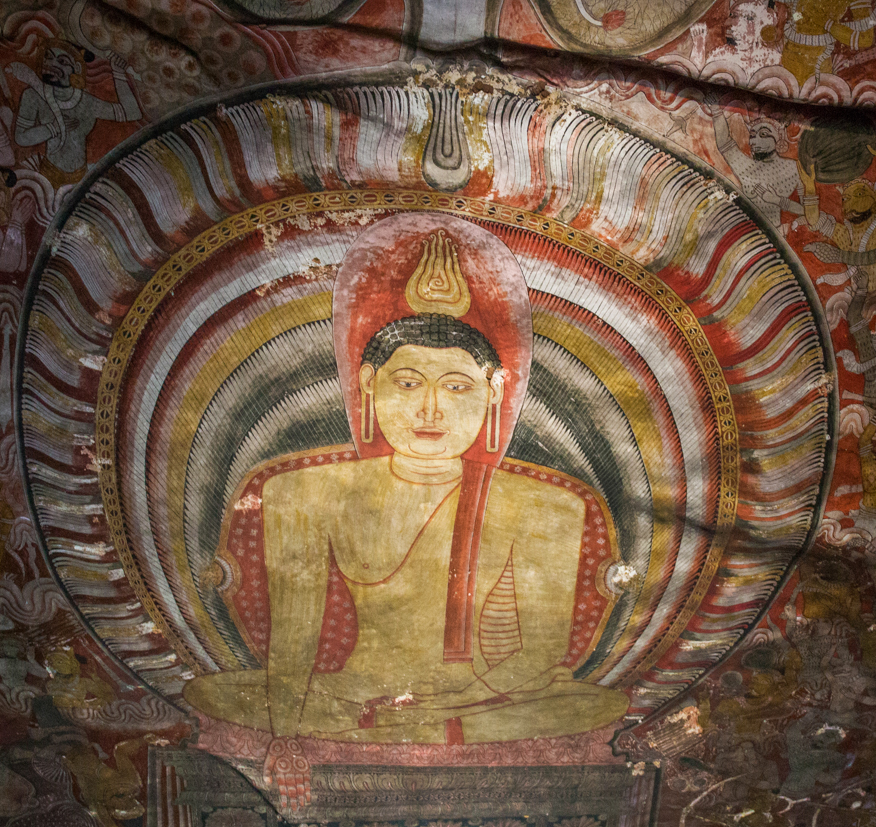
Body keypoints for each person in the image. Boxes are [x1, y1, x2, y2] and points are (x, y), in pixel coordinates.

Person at [183, 217, 627, 791]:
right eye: (409, 383)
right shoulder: (301, 492)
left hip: (479, 700)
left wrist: (443, 704)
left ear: (494, 389)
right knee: (215, 692)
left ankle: (426, 726)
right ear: (369, 382)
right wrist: (285, 737)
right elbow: (292, 646)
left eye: (457, 387)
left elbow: (540, 656)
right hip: (352, 694)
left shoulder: (548, 505)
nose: (431, 411)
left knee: (590, 704)